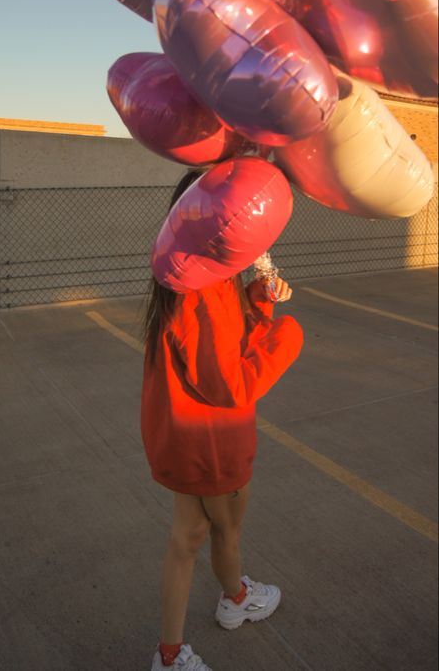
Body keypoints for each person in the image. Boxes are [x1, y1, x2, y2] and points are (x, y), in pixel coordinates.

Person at [142, 168, 304, 671]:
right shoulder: (203, 293)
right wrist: (288, 336)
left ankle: (170, 655)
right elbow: (229, 384)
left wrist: (258, 299)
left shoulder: (187, 277)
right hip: (214, 440)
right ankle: (235, 599)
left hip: (184, 437)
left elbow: (223, 347)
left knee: (185, 538)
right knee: (225, 534)